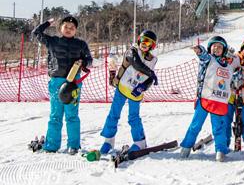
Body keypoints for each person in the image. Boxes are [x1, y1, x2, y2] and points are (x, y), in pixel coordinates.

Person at [32, 16, 93, 154]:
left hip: (74, 82)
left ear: (76, 30)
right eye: (66, 26)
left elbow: (89, 60)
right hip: (56, 82)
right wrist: (48, 23)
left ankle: (74, 145)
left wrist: (84, 63)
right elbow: (36, 33)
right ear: (60, 28)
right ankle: (52, 145)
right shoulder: (53, 41)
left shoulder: (81, 44)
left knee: (72, 115)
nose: (69, 30)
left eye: (72, 28)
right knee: (55, 115)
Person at [99, 30, 158, 154]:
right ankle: (108, 140)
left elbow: (149, 80)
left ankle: (140, 142)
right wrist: (152, 74)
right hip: (123, 87)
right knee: (114, 114)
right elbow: (136, 64)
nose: (144, 43)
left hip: (135, 92)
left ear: (152, 46)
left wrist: (143, 87)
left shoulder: (153, 59)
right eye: (142, 40)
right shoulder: (132, 51)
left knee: (133, 117)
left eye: (148, 42)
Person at [180, 36, 235, 162]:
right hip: (204, 99)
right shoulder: (208, 59)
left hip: (219, 101)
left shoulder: (228, 66)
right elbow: (203, 55)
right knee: (196, 125)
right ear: (210, 48)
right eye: (214, 46)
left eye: (220, 47)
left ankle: (220, 150)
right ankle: (186, 146)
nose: (216, 48)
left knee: (218, 127)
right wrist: (199, 50)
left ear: (224, 50)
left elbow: (233, 80)